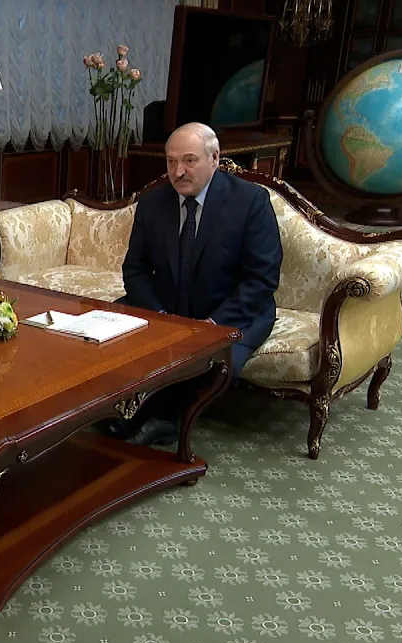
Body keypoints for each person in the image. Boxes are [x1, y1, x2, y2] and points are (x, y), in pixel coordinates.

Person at [115, 122, 282, 446]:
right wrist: (160, 317)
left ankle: (163, 420)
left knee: (210, 362)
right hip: (166, 307)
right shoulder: (152, 203)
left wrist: (213, 324)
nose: (178, 171)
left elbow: (261, 279)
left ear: (214, 158)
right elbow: (135, 270)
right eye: (171, 161)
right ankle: (121, 413)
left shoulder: (250, 201)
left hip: (234, 312)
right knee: (109, 337)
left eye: (189, 160)